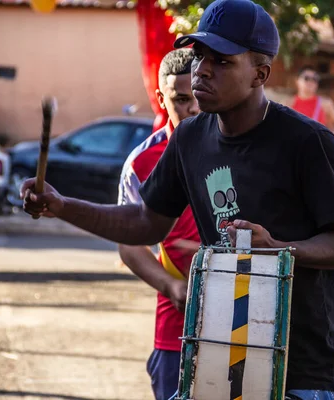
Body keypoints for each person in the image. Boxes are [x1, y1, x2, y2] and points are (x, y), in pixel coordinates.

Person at [21, 0, 334, 398]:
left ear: (260, 74)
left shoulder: (307, 141)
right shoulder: (189, 138)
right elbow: (144, 222)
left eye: (221, 61)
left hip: (298, 373)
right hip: (216, 361)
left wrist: (278, 250)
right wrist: (62, 206)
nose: (201, 69)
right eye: (200, 55)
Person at [117, 48, 200, 400]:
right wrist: (171, 286)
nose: (193, 108)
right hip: (176, 326)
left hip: (245, 319)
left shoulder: (241, 150)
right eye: (180, 99)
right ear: (161, 99)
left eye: (198, 97)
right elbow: (129, 244)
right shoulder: (141, 163)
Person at [290, 65, 334, 139]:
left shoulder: (325, 103)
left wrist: (329, 138)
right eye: (307, 78)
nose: (311, 82)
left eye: (314, 79)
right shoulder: (288, 104)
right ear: (297, 80)